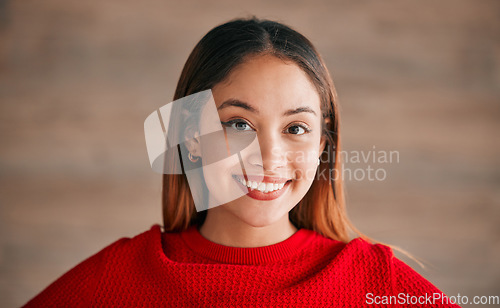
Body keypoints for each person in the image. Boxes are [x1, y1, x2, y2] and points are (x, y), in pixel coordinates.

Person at [23, 17, 460, 307]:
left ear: (324, 143)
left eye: (296, 128)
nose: (269, 158)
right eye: (238, 124)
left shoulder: (375, 281)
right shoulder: (115, 280)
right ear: (191, 136)